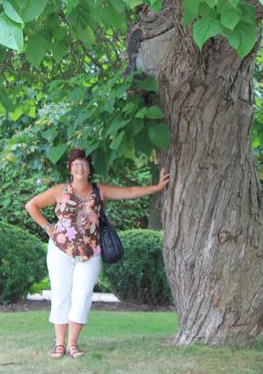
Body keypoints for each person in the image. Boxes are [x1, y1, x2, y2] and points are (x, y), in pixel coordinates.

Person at [25, 148, 170, 359]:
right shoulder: (60, 190)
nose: (79, 167)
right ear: (70, 169)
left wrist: (156, 187)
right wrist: (48, 227)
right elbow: (31, 205)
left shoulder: (98, 190)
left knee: (82, 296)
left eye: (83, 163)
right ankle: (59, 344)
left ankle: (72, 344)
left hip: (90, 252)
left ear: (89, 168)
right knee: (60, 295)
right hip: (60, 251)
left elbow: (129, 192)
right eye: (75, 164)